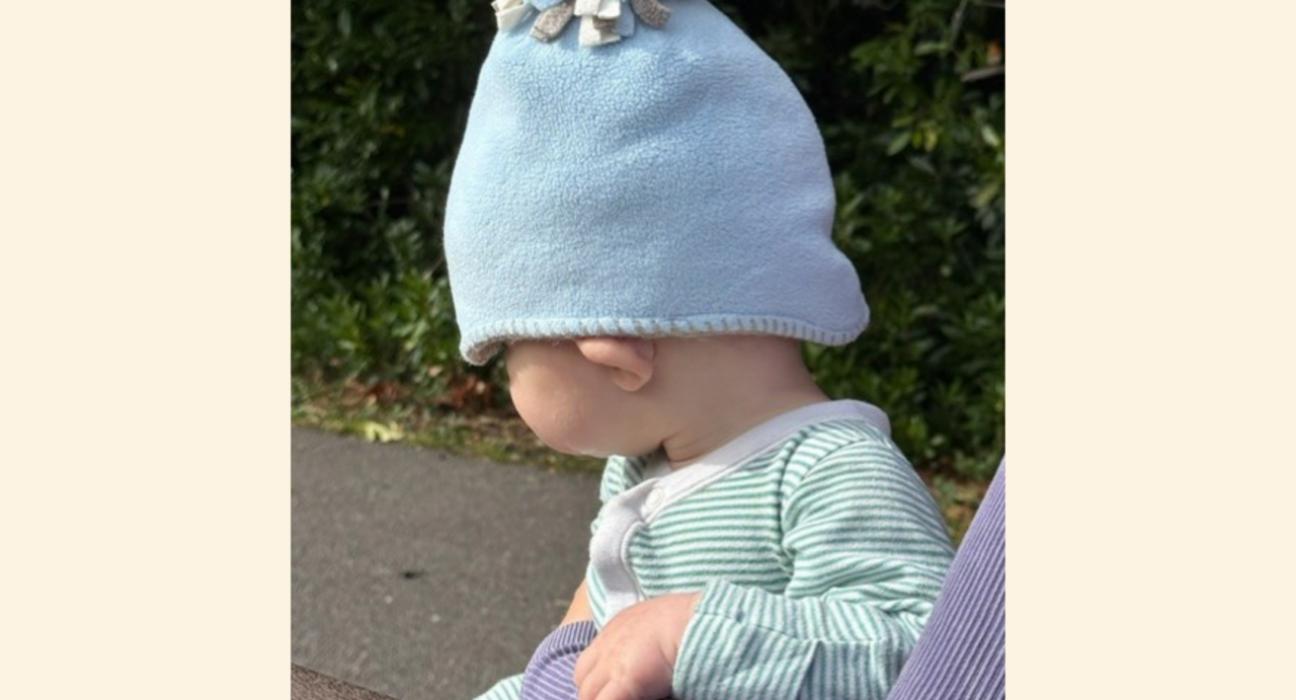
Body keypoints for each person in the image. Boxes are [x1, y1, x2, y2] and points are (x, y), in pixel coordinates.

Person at [442, 2, 955, 698]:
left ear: (612, 350)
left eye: (504, 348)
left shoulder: (833, 474)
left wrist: (689, 635)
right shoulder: (646, 465)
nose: (502, 377)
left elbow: (928, 656)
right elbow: (596, 649)